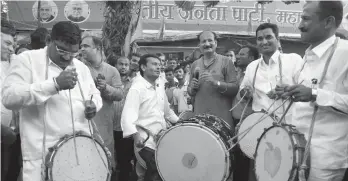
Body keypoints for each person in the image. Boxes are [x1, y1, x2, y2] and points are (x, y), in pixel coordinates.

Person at [2, 21, 102, 181]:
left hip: (78, 154)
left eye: (74, 53)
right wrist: (54, 85)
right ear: (49, 40)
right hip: (41, 158)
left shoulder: (81, 67)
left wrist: (93, 105)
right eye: (62, 50)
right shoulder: (27, 60)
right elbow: (9, 98)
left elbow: (94, 94)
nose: (68, 58)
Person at [281, 1, 348, 180]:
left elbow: (313, 94)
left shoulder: (345, 53)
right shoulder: (308, 55)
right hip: (296, 151)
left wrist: (314, 94)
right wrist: (291, 92)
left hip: (325, 160)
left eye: (306, 18)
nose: (299, 25)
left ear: (328, 22)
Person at [121, 54, 179, 181]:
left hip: (161, 139)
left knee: (154, 173)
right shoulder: (137, 88)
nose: (159, 67)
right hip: (144, 141)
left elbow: (168, 112)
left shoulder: (159, 86)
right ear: (143, 67)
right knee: (152, 173)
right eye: (154, 64)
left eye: (159, 65)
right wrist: (136, 136)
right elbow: (127, 116)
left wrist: (182, 123)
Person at [240, 23, 304, 122]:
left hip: (290, 124)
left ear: (278, 40)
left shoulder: (293, 60)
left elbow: (305, 89)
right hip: (260, 124)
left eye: (268, 37)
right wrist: (245, 92)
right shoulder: (252, 67)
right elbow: (243, 92)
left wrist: (288, 91)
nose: (264, 42)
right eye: (260, 39)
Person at [80, 35, 123, 169]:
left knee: (103, 163)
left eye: (86, 46)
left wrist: (105, 88)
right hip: (82, 124)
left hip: (104, 125)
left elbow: (120, 94)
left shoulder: (112, 70)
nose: (82, 49)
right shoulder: (79, 68)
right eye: (81, 46)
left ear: (97, 48)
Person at [188, 30, 239, 128]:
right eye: (203, 41)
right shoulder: (195, 64)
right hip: (200, 117)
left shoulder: (226, 62)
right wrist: (192, 88)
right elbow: (190, 91)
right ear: (199, 45)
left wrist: (216, 83)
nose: (207, 44)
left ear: (216, 43)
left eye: (210, 40)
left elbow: (235, 88)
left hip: (221, 119)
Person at [232, 45, 259, 181]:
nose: (238, 56)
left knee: (246, 161)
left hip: (247, 123)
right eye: (238, 54)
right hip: (236, 122)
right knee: (237, 160)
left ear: (252, 58)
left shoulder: (256, 76)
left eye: (242, 54)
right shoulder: (238, 73)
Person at [1, 18, 20, 181]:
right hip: (3, 133)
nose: (11, 49)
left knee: (11, 173)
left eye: (12, 45)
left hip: (14, 135)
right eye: (7, 43)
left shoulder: (12, 64)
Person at [112, 56, 135, 181]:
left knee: (124, 160)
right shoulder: (111, 81)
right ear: (116, 65)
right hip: (110, 125)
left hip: (125, 127)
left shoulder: (133, 83)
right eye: (121, 64)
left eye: (126, 64)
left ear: (130, 66)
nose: (123, 67)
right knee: (110, 157)